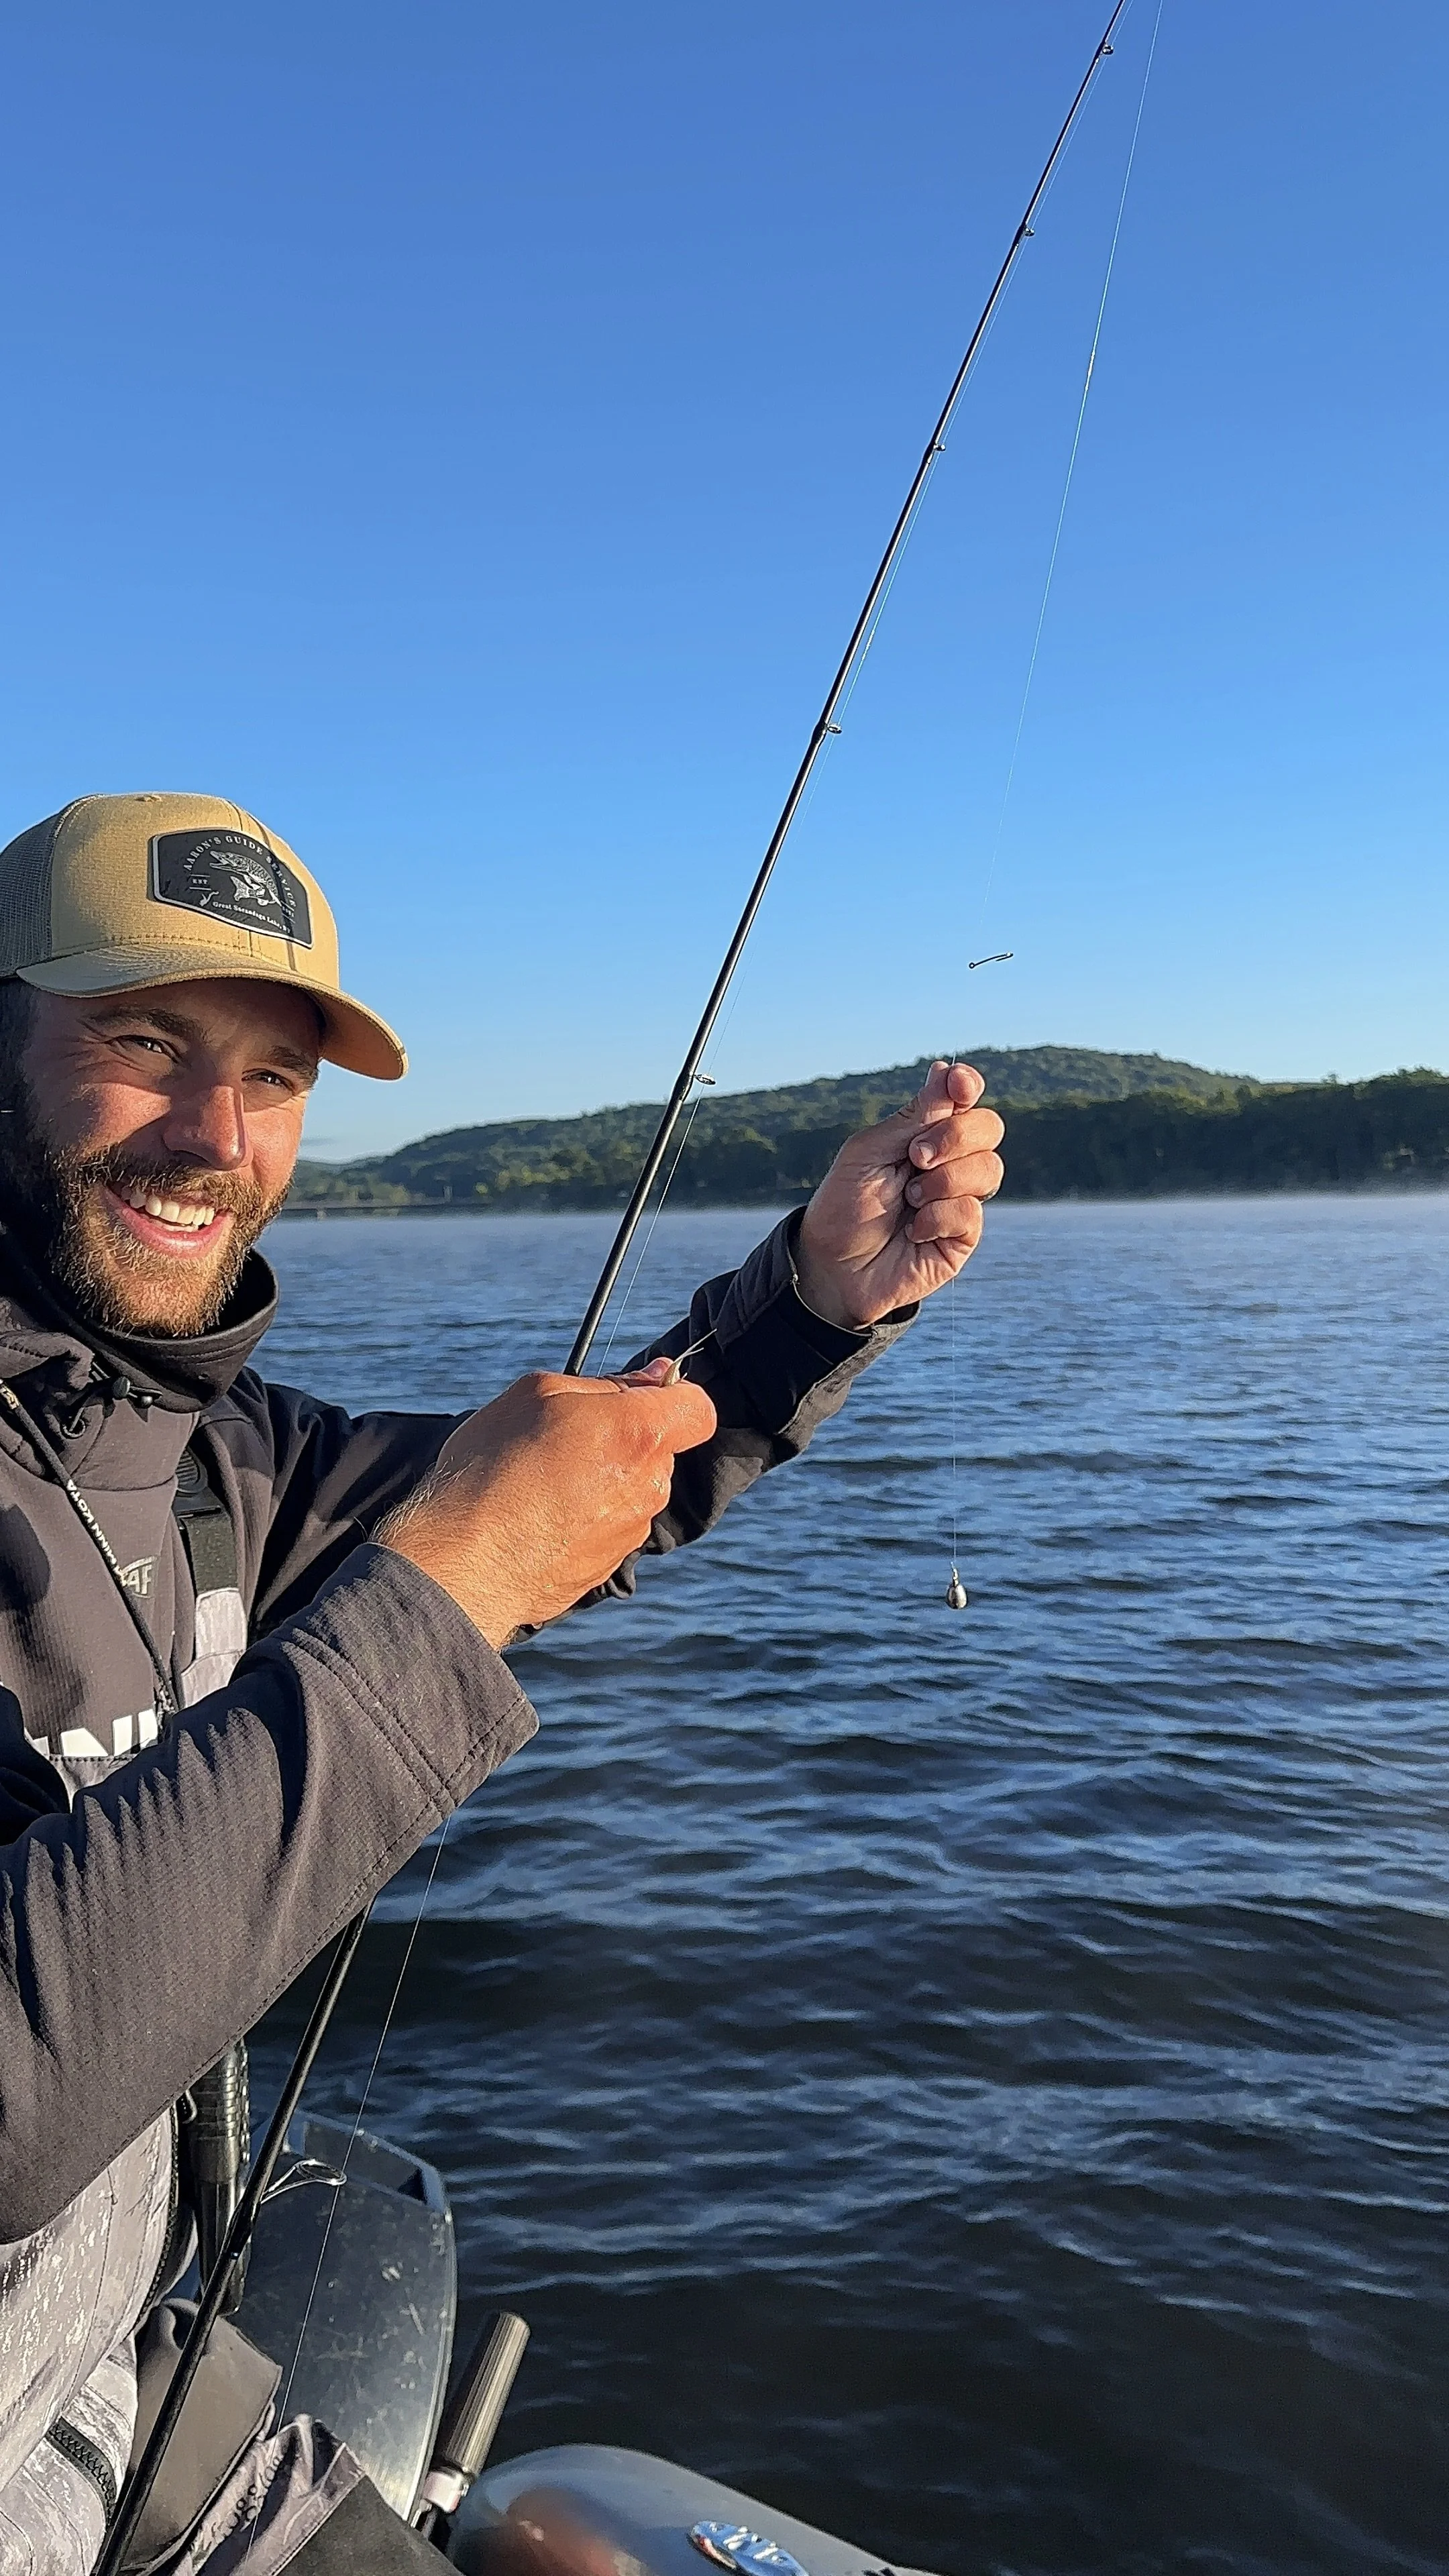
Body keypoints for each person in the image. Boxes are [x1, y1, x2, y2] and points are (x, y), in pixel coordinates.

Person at [0, 793, 1004, 2575]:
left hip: (128, 2415)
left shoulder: (219, 1468)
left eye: (273, 1077)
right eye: (143, 1041)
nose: (212, 1134)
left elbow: (559, 1495)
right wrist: (440, 1588)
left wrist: (817, 1303)